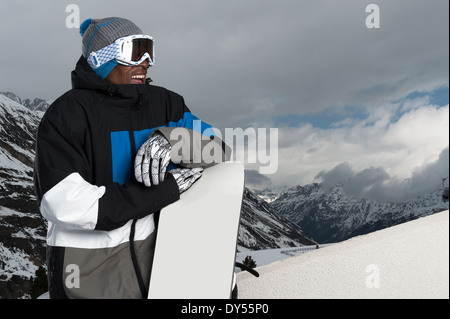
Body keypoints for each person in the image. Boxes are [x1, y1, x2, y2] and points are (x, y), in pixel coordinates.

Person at [34, 17, 229, 299]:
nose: (146, 61)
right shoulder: (67, 115)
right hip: (91, 276)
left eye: (150, 50)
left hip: (161, 267)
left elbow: (218, 149)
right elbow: (64, 204)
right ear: (101, 58)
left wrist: (174, 139)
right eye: (135, 51)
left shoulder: (167, 104)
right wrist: (164, 191)